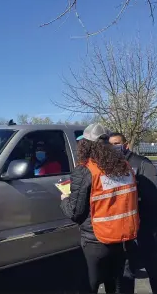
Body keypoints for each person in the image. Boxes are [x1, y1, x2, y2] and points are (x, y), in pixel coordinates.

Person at [60, 123, 139, 294]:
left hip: (96, 241)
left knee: (89, 285)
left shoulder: (86, 170)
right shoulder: (125, 167)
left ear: (86, 145)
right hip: (122, 238)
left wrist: (64, 199)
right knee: (115, 284)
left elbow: (75, 212)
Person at [109, 132, 157, 294]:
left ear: (126, 145)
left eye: (116, 143)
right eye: (110, 144)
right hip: (126, 227)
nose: (113, 147)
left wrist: (152, 226)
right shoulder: (112, 166)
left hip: (144, 227)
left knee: (152, 266)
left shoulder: (142, 164)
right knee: (127, 270)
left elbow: (154, 199)